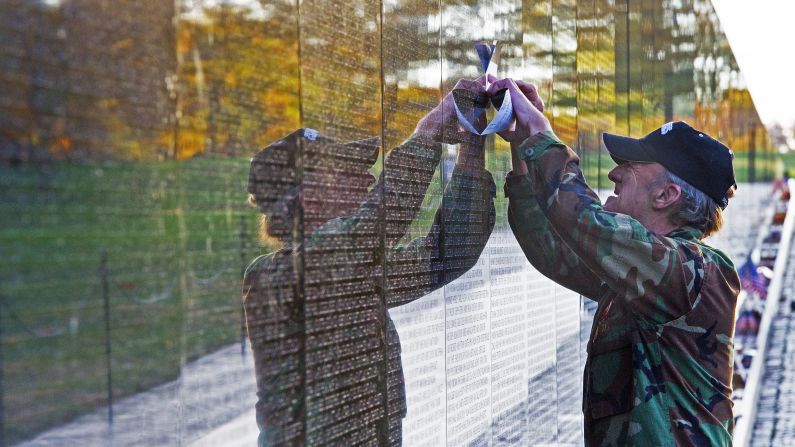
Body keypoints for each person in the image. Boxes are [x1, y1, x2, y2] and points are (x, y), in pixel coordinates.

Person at [243, 79, 496, 446]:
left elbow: (448, 252)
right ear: (306, 198)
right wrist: (427, 132)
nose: (365, 180)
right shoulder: (280, 277)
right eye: (345, 173)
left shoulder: (351, 270)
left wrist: (472, 147)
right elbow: (377, 223)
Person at [488, 77, 740, 446]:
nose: (613, 173)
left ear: (666, 194)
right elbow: (550, 247)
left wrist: (541, 132)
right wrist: (524, 143)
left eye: (630, 166)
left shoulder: (696, 271)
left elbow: (584, 221)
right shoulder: (639, 275)